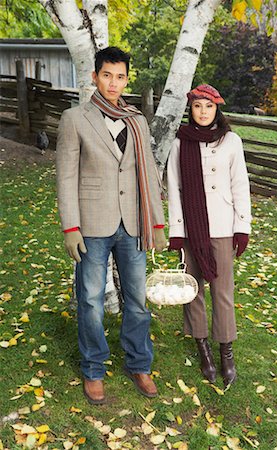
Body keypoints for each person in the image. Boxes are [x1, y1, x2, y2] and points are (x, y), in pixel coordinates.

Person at [56, 46, 166, 404]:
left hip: (133, 223)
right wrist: (70, 226)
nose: (113, 83)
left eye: (120, 76)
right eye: (107, 75)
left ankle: (139, 363)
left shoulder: (137, 119)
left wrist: (158, 222)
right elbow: (66, 176)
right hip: (91, 222)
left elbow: (147, 170)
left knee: (136, 300)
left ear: (126, 79)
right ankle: (93, 367)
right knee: (89, 300)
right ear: (95, 77)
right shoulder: (75, 119)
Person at [167, 84, 251, 387]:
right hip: (190, 227)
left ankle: (225, 350)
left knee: (223, 290)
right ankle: (202, 346)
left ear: (217, 109)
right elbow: (174, 190)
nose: (203, 112)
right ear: (191, 109)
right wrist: (176, 233)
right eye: (198, 106)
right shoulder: (179, 143)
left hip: (222, 226)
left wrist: (242, 226)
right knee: (193, 290)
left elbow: (240, 185)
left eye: (209, 106)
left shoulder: (231, 141)